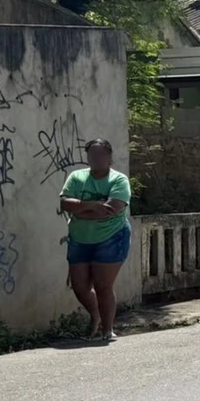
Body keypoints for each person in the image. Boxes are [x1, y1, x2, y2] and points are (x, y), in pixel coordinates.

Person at [59, 139, 132, 341]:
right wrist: (94, 205)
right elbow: (65, 204)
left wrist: (81, 209)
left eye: (101, 154)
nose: (96, 158)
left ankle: (107, 329)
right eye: (92, 154)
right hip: (80, 238)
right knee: (79, 287)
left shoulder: (118, 180)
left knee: (102, 286)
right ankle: (96, 315)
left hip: (111, 237)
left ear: (109, 157)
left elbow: (112, 209)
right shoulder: (77, 177)